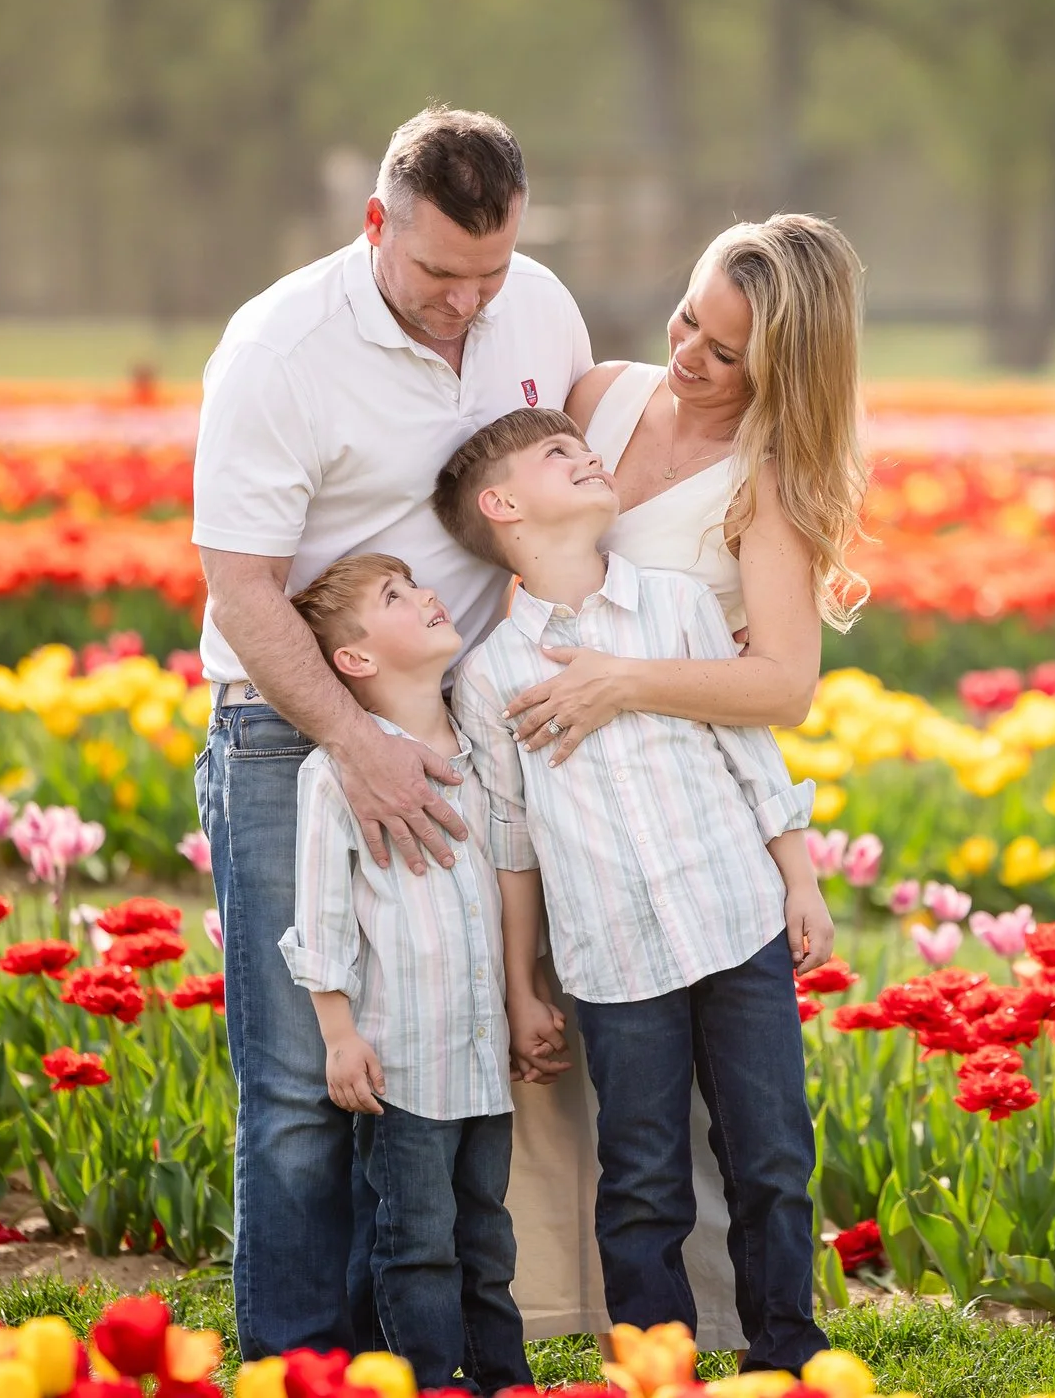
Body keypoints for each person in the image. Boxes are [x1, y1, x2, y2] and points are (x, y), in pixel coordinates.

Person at [191, 106, 590, 1357]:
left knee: (425, 1062)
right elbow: (240, 585)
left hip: (450, 731)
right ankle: (298, 1369)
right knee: (300, 1085)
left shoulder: (540, 308)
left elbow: (560, 490)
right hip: (288, 729)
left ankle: (407, 1360)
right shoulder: (280, 348)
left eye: (490, 273)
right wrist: (351, 743)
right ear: (376, 223)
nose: (466, 304)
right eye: (437, 274)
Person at [490, 215, 870, 1347]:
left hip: (698, 840)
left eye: (724, 350)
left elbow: (783, 686)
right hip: (588, 845)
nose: (687, 353)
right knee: (631, 1145)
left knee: (755, 1142)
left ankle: (775, 1343)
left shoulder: (766, 480)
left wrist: (622, 682)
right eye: (689, 316)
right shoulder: (599, 397)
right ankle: (625, 1339)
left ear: (784, 368)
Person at [440, 407, 838, 1375]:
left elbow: (748, 747)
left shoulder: (676, 605)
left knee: (772, 1159)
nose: (587, 453)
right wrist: (522, 984)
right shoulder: (490, 674)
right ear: (501, 506)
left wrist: (799, 876)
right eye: (557, 454)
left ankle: (786, 1360)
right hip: (611, 956)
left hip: (736, 917)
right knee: (641, 1181)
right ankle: (659, 1373)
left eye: (583, 446)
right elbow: (511, 841)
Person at [277, 551, 534, 1395]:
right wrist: (338, 1035)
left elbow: (510, 878)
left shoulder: (482, 748)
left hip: (482, 1057)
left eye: (417, 584)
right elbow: (320, 917)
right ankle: (428, 1381)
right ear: (355, 658)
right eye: (396, 594)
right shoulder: (335, 776)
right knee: (417, 1241)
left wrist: (523, 998)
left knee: (487, 1237)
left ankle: (503, 1379)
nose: (427, 595)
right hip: (405, 1063)